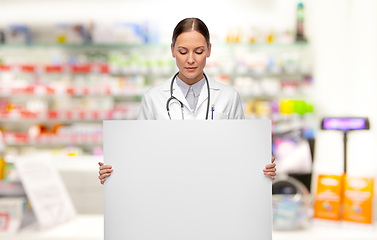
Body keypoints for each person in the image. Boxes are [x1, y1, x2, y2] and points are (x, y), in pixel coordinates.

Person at [98, 18, 276, 184]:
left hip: (216, 187)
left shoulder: (228, 96)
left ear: (209, 50)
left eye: (199, 51)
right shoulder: (153, 98)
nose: (191, 59)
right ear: (173, 50)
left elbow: (240, 153)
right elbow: (141, 154)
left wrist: (262, 169)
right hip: (167, 187)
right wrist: (114, 171)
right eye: (183, 51)